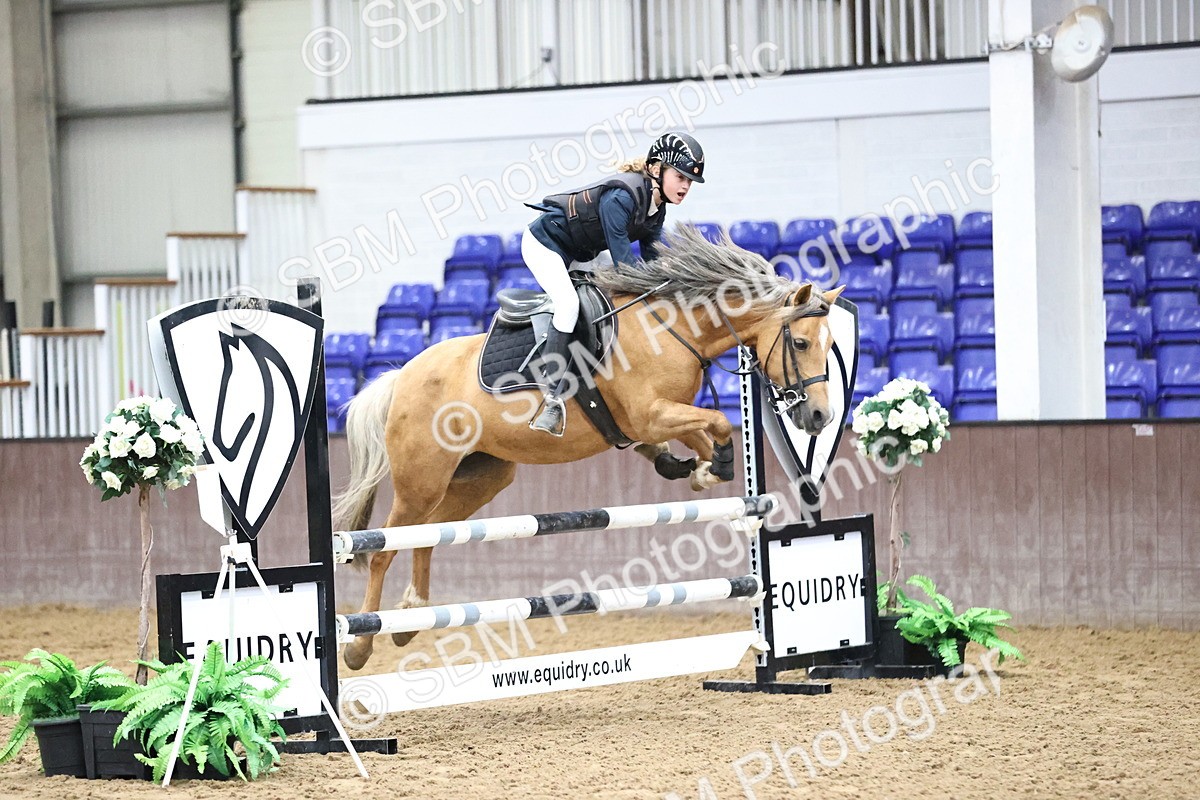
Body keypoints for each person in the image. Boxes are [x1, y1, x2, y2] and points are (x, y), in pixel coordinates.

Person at [521, 131, 705, 436]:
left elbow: (653, 263)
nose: (686, 185)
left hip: (582, 252)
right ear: (657, 169)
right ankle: (552, 397)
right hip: (546, 244)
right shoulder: (622, 198)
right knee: (568, 305)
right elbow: (625, 268)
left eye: (690, 181)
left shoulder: (657, 208)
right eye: (680, 176)